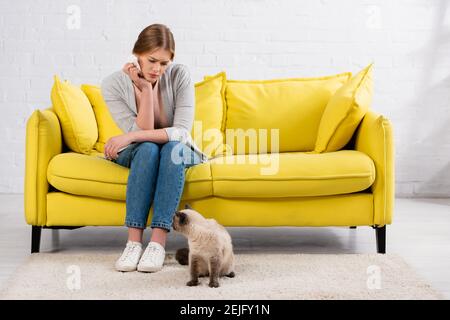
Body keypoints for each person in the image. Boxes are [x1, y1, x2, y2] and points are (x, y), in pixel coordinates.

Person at [100, 23, 208, 273]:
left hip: (176, 150)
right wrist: (146, 90)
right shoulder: (113, 84)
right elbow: (141, 138)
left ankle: (158, 243)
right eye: (151, 61)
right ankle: (133, 243)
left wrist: (128, 137)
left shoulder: (180, 75)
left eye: (164, 63)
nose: (157, 69)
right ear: (136, 53)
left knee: (171, 148)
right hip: (141, 151)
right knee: (148, 148)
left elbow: (181, 132)